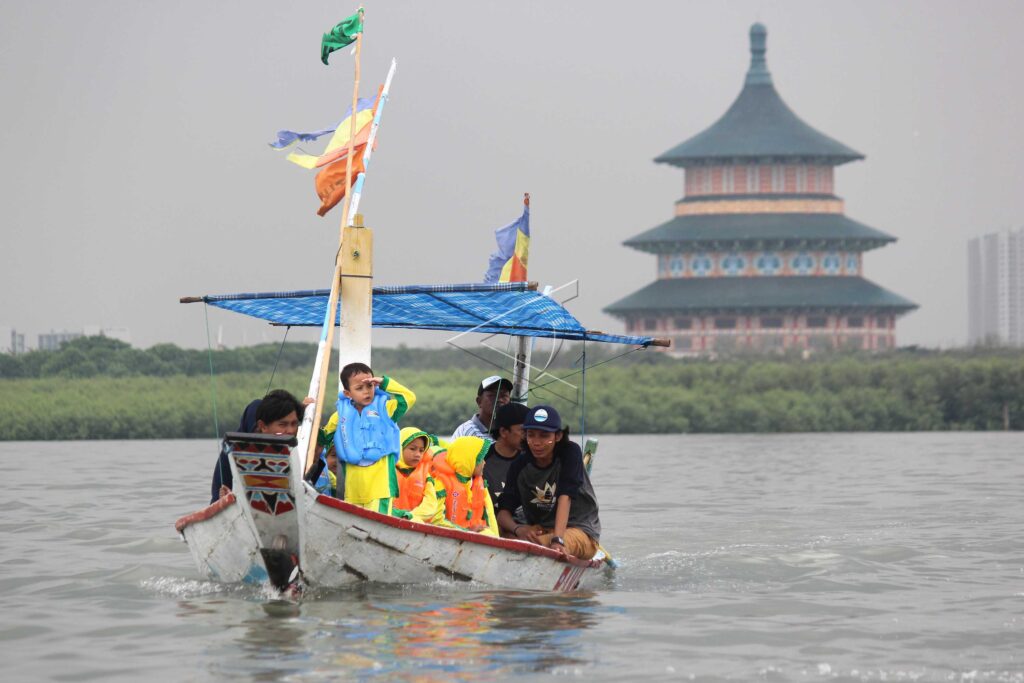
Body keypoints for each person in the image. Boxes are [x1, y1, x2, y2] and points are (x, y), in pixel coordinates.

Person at [496, 405, 600, 560]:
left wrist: (558, 539)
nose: (536, 443)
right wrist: (518, 529)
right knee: (498, 531)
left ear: (557, 436)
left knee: (538, 543)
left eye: (544, 436)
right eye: (531, 435)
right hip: (540, 528)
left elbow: (565, 497)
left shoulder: (570, 453)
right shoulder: (520, 464)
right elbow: (503, 512)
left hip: (578, 529)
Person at [321, 362, 415, 515]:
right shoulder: (340, 416)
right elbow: (322, 438)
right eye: (359, 388)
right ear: (347, 393)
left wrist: (384, 383)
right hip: (353, 492)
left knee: (379, 527)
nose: (366, 392)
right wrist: (306, 413)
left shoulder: (387, 409)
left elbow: (409, 398)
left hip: (380, 490)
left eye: (369, 386)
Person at [211, 389, 304, 503]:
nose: (290, 431)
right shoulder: (232, 452)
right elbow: (217, 499)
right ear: (263, 426)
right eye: (282, 424)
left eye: (294, 424)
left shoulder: (298, 449)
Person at [431, 436, 499, 536]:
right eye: (480, 459)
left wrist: (496, 540)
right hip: (448, 538)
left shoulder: (479, 484)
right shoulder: (441, 483)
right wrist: (465, 532)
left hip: (475, 538)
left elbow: (490, 516)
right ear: (469, 461)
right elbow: (435, 519)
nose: (484, 463)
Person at [393, 427, 444, 524]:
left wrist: (411, 515)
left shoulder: (426, 476)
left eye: (421, 450)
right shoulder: (388, 470)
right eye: (412, 449)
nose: (417, 454)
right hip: (390, 517)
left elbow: (430, 504)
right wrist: (396, 513)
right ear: (400, 447)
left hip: (414, 521)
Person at [484, 402, 530, 509]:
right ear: (504, 432)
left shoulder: (531, 459)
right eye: (523, 431)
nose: (528, 436)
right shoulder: (482, 462)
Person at [451, 375, 513, 440]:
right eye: (492, 395)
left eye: (504, 396)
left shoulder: (512, 432)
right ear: (479, 401)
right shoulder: (467, 432)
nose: (499, 400)